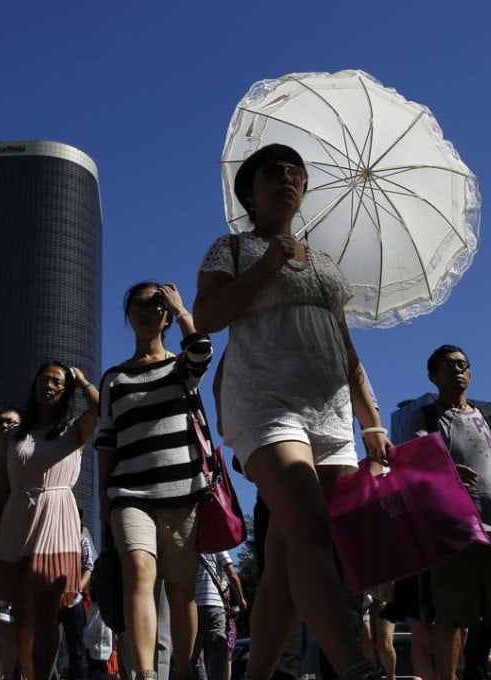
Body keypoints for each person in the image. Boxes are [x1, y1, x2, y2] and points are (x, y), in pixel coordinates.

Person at [194, 143, 390, 680]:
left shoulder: (325, 265)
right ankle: (355, 666)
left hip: (329, 413)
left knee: (285, 559)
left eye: (295, 174)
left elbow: (345, 347)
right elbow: (207, 316)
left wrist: (369, 419)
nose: (286, 180)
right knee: (311, 529)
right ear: (250, 193)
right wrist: (268, 266)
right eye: (272, 173)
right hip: (264, 402)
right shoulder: (230, 249)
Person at [400, 345, 491, 680]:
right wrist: (447, 469)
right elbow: (412, 460)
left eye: (463, 365)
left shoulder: (489, 420)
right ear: (433, 376)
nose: (458, 370)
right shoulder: (425, 417)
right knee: (451, 619)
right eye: (449, 366)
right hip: (452, 532)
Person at [96, 281, 213, 680]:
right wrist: (103, 499)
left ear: (165, 315)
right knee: (139, 573)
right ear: (127, 317)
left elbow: (202, 352)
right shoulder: (114, 378)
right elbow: (106, 442)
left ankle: (181, 671)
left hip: (184, 492)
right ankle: (144, 674)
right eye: (138, 306)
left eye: (155, 305)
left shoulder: (181, 367)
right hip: (129, 493)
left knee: (181, 591)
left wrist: (183, 311)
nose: (147, 312)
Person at [0, 361, 100, 680]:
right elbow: (4, 487)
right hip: (17, 518)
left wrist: (81, 380)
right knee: (21, 614)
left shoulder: (73, 430)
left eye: (57, 382)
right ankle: (24, 673)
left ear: (67, 390)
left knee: (47, 613)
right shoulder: (16, 435)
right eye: (44, 379)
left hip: (55, 517)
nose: (48, 386)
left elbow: (103, 409)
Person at [190, 551, 246, 680]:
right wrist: (241, 599)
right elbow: (231, 574)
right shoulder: (217, 545)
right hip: (214, 605)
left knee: (195, 654)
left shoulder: (189, 546)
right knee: (218, 651)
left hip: (192, 606)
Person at [59, 523, 96, 680]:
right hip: (55, 599)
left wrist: (76, 589)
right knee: (50, 643)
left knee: (77, 648)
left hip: (75, 601)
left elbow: (88, 568)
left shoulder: (82, 541)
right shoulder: (58, 539)